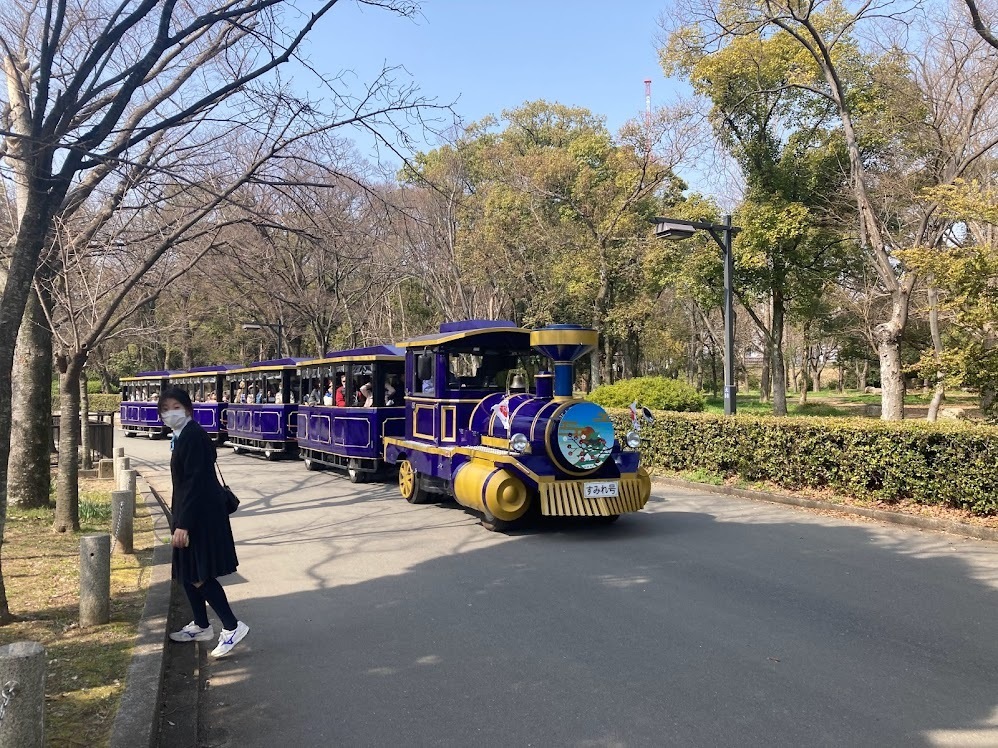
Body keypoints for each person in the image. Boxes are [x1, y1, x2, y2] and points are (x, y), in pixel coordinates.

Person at [158, 387, 249, 658]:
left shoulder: (193, 436)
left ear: (188, 409)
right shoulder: (182, 435)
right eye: (165, 409)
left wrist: (183, 524)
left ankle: (232, 627)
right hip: (191, 513)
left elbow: (195, 484)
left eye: (175, 407)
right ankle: (201, 625)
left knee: (198, 574)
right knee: (187, 571)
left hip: (199, 517)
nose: (170, 413)